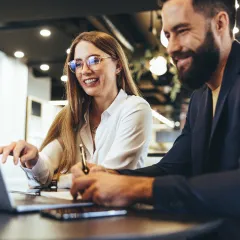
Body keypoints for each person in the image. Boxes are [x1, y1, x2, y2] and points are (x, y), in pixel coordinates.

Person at [70, 0, 240, 238]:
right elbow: (173, 167)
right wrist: (114, 176)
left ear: (220, 23)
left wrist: (141, 188)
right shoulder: (201, 96)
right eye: (167, 36)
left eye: (182, 31)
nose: (171, 47)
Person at [0, 31, 152, 188]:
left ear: (118, 65)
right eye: (77, 64)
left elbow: (108, 178)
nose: (84, 70)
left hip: (121, 211)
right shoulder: (73, 116)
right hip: (75, 210)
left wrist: (58, 180)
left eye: (94, 60)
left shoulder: (135, 108)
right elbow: (45, 168)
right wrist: (34, 159)